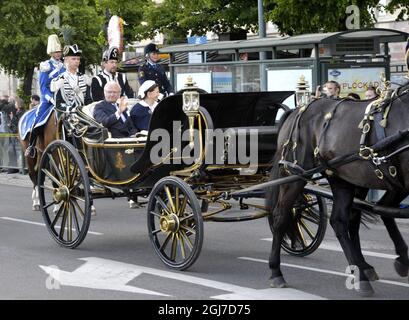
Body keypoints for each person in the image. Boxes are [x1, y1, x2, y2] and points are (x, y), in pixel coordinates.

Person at [24, 34, 65, 158]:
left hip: (63, 98)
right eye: (56, 52)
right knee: (38, 119)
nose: (58, 54)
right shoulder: (45, 66)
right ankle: (31, 146)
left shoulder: (64, 65)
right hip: (49, 100)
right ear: (51, 52)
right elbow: (43, 88)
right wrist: (51, 99)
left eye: (59, 51)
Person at [51, 44, 88, 110]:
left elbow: (88, 99)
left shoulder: (84, 78)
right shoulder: (60, 79)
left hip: (83, 114)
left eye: (78, 59)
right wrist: (70, 110)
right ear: (66, 60)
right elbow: (58, 103)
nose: (76, 61)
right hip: (66, 115)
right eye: (73, 59)